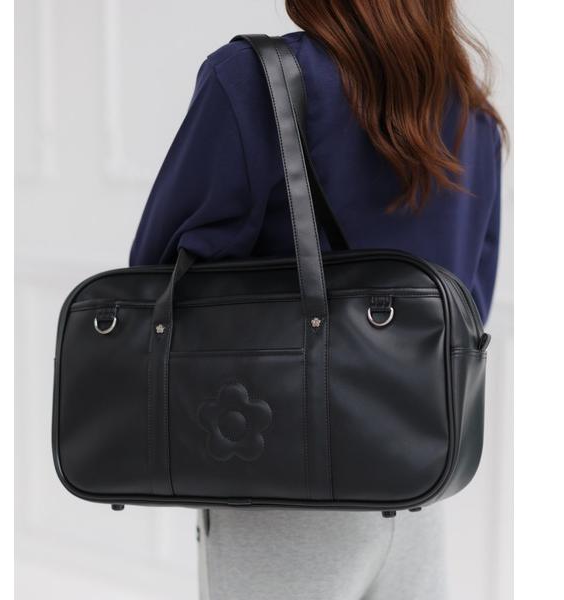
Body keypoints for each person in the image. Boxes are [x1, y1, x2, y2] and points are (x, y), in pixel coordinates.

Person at [130, 1, 505, 598]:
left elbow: (157, 278)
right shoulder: (470, 110)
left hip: (282, 476)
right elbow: (471, 302)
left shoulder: (254, 78)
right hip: (418, 474)